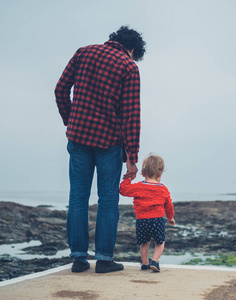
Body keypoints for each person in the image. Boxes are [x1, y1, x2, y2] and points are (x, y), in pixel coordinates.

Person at [55, 26, 146, 273]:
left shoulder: (83, 53)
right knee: (108, 200)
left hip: (79, 137)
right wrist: (132, 158)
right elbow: (131, 116)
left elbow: (61, 89)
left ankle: (78, 259)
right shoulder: (128, 67)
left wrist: (70, 119)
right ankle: (104, 260)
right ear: (132, 50)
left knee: (77, 197)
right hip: (109, 143)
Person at [119, 154, 175, 272]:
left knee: (144, 242)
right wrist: (170, 217)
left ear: (143, 173)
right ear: (160, 173)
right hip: (157, 220)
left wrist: (128, 179)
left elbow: (123, 190)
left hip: (141, 220)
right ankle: (154, 261)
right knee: (160, 242)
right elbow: (168, 205)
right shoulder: (162, 189)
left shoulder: (139, 187)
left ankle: (145, 263)